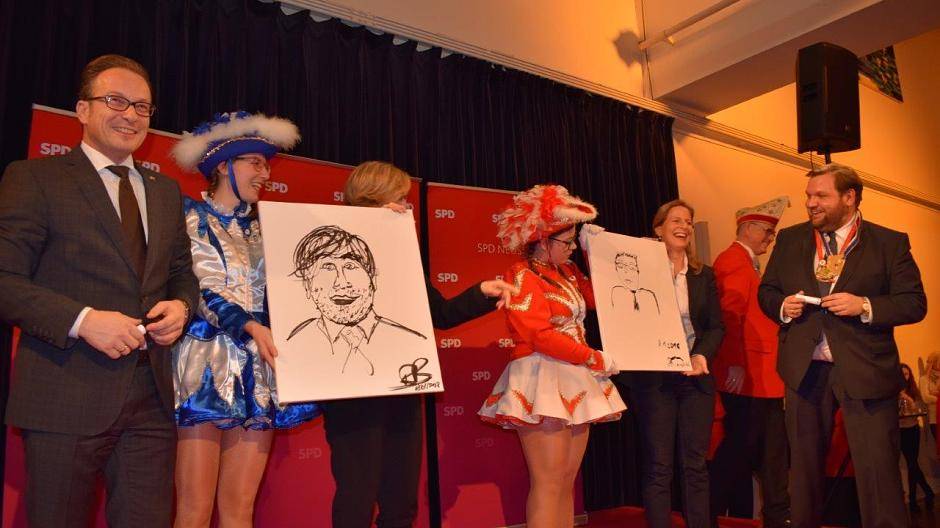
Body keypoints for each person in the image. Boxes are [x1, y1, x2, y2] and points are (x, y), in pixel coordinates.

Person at [0, 54, 199, 527]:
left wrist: (182, 305)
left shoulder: (165, 191)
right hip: (64, 394)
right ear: (83, 109)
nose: (130, 115)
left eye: (142, 107)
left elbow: (181, 273)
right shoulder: (35, 179)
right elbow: (6, 279)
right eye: (115, 101)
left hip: (150, 399)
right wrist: (83, 321)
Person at [323, 160, 518, 528]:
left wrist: (481, 292)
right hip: (351, 392)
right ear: (373, 200)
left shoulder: (403, 255)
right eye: (400, 200)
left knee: (401, 502)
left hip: (402, 388)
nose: (407, 208)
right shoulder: (327, 252)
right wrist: (371, 232)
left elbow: (440, 314)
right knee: (356, 499)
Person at [168, 111, 319, 527]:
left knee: (240, 509)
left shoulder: (272, 226)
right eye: (255, 162)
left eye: (267, 165)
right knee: (194, 509)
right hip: (206, 364)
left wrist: (386, 218)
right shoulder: (189, 217)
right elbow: (200, 288)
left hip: (259, 366)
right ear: (223, 165)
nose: (265, 173)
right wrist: (249, 324)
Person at [758, 163, 927, 528]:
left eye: (821, 196)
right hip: (804, 371)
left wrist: (864, 306)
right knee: (803, 479)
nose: (811, 203)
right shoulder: (790, 239)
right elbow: (767, 291)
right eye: (808, 196)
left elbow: (914, 303)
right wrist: (782, 306)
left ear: (849, 197)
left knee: (879, 476)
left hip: (867, 370)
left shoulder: (889, 243)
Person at [479, 184, 625, 527]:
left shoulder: (569, 271)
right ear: (543, 240)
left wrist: (593, 251)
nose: (571, 248)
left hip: (574, 374)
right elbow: (539, 335)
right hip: (542, 375)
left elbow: (602, 298)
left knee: (565, 480)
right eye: (567, 242)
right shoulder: (521, 274)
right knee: (548, 481)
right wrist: (592, 358)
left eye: (574, 241)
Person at [619, 199, 724, 528]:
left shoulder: (703, 275)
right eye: (676, 220)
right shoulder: (639, 271)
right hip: (655, 381)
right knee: (659, 466)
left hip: (695, 378)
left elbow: (716, 327)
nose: (684, 226)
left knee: (695, 465)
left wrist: (701, 355)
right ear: (658, 228)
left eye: (688, 222)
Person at [709, 196, 791, 527]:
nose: (770, 238)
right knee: (741, 451)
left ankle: (776, 515)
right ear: (747, 228)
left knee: (770, 453)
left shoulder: (747, 263)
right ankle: (708, 511)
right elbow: (729, 314)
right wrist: (734, 362)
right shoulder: (732, 260)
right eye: (767, 231)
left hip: (761, 376)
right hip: (748, 375)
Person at [288, 224, 429, 376]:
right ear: (308, 286)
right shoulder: (293, 345)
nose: (341, 283)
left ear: (373, 280)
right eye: (328, 268)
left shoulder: (413, 343)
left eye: (350, 266)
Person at [899, 363, 935, 512]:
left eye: (907, 374)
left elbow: (917, 408)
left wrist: (906, 397)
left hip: (913, 429)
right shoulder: (892, 391)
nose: (904, 377)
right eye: (902, 374)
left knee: (912, 463)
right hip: (900, 430)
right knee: (912, 463)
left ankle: (914, 499)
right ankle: (927, 492)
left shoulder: (912, 390)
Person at [920, 351, 939, 440]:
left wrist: (934, 393)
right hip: (935, 419)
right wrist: (938, 397)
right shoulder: (924, 379)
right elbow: (926, 398)